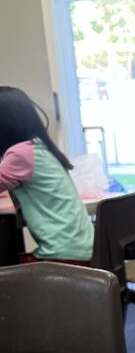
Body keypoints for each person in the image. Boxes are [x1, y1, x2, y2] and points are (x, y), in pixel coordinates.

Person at [0, 86, 93, 261]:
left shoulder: (20, 154)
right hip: (85, 250)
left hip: (64, 256)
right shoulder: (40, 147)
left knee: (8, 268)